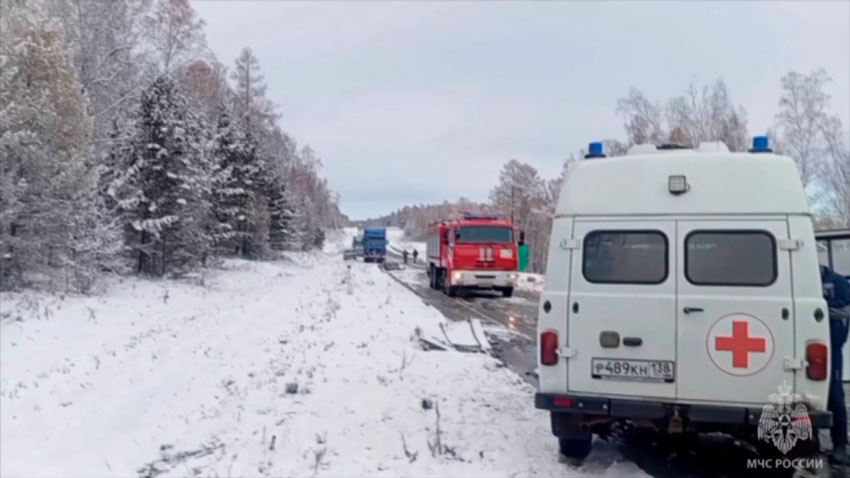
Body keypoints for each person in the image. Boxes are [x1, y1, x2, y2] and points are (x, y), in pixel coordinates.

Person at [822, 264, 850, 465]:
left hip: (830, 347)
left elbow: (846, 309)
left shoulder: (837, 281)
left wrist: (819, 310)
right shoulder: (798, 278)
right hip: (796, 345)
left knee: (835, 396)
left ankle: (840, 445)